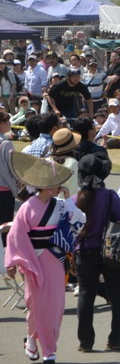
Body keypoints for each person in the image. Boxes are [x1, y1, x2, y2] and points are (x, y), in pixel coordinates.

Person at [4, 152, 75, 363]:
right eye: (52, 183)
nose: (56, 186)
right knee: (36, 305)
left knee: (54, 306)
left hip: (55, 258)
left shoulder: (62, 204)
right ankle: (36, 342)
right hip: (33, 259)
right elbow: (16, 235)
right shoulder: (27, 207)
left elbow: (76, 223)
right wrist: (13, 261)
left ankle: (47, 348)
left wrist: (68, 200)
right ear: (42, 185)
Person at [73, 152, 120, 353]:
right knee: (117, 295)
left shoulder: (75, 198)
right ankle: (116, 340)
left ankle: (85, 342)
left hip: (84, 251)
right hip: (110, 251)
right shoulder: (109, 196)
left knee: (85, 296)